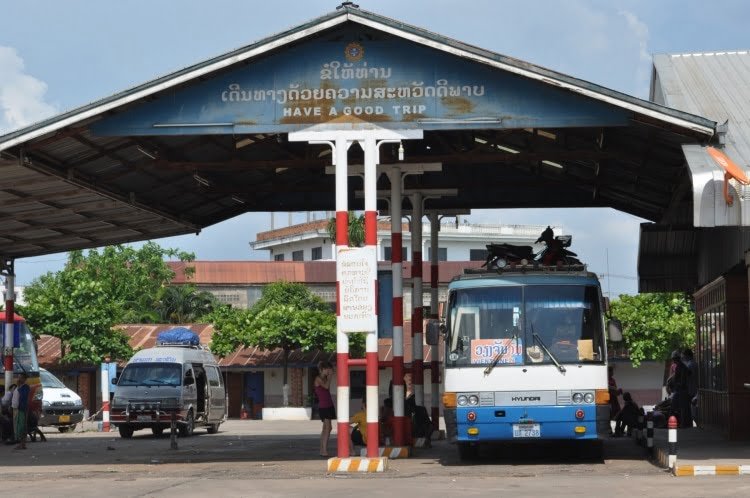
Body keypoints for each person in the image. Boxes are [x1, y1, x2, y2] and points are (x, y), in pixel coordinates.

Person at [314, 361, 335, 457]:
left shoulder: (324, 378)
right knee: (328, 428)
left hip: (329, 404)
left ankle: (322, 449)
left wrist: (329, 376)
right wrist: (330, 377)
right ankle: (324, 450)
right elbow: (326, 387)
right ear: (322, 369)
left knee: (325, 428)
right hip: (324, 406)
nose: (328, 371)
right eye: (327, 369)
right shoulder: (318, 379)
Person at [667, 350, 692, 428]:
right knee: (682, 408)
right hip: (680, 390)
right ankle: (682, 424)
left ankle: (681, 424)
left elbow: (682, 380)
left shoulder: (681, 366)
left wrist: (676, 384)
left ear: (676, 358)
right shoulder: (680, 366)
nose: (673, 360)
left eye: (674, 359)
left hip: (681, 390)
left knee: (678, 408)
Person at [12, 373, 30, 449]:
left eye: (21, 378)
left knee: (21, 427)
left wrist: (19, 387)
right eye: (18, 377)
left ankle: (22, 444)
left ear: (25, 379)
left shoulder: (25, 387)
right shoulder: (18, 387)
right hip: (16, 409)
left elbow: (23, 396)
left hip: (22, 409)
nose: (19, 379)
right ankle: (21, 443)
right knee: (18, 426)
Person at [682, 348, 699, 424]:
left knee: (691, 410)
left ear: (687, 356)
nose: (683, 358)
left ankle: (692, 422)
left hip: (691, 390)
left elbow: (687, 377)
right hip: (693, 389)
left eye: (684, 356)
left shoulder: (690, 365)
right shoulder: (693, 364)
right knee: (692, 409)